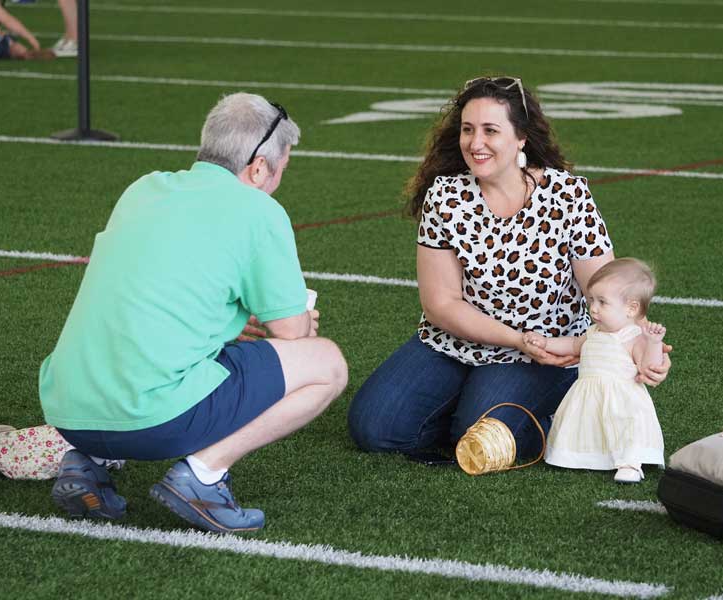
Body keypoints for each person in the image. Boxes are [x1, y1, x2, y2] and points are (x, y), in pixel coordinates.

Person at [40, 93, 348, 533]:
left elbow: (159, 300)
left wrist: (232, 324)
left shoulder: (143, 188)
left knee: (135, 344)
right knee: (327, 364)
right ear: (259, 167)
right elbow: (292, 333)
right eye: (280, 170)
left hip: (67, 412)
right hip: (150, 420)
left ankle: (85, 463)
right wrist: (297, 322)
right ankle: (203, 477)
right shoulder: (259, 209)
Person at [348, 76, 670, 462]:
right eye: (467, 129)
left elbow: (607, 289)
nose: (475, 142)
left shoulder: (567, 195)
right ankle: (485, 403)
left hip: (544, 352)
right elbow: (441, 303)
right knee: (374, 427)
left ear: (521, 139)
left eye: (490, 131)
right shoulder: (446, 196)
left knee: (477, 435)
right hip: (455, 341)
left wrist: (639, 345)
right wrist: (513, 336)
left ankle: (555, 415)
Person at [524, 258, 666, 483]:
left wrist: (654, 343)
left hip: (622, 399)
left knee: (626, 428)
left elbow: (648, 367)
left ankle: (631, 462)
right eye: (591, 300)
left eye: (602, 302)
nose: (593, 308)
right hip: (589, 393)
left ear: (631, 308)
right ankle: (577, 456)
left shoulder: (632, 337)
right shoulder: (593, 332)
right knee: (586, 424)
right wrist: (545, 343)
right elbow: (571, 345)